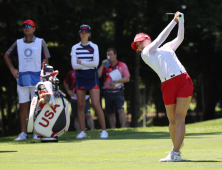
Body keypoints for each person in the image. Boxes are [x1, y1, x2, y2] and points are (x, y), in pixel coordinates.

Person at [131, 12, 193, 162]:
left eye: (140, 41)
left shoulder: (166, 48)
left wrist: (181, 22)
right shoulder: (146, 53)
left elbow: (180, 38)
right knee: (172, 121)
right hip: (167, 84)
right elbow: (160, 39)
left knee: (179, 117)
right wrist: (174, 21)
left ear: (147, 39)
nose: (139, 45)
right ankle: (176, 150)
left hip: (183, 79)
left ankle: (175, 152)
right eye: (137, 44)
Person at [4, 19, 51, 141]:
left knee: (37, 106)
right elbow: (6, 55)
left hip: (37, 78)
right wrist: (12, 70)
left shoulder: (41, 42)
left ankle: (37, 131)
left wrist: (44, 75)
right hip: (22, 79)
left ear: (34, 29)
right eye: (25, 26)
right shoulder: (18, 43)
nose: (27, 28)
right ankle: (23, 133)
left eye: (30, 26)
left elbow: (46, 59)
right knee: (24, 107)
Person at [71, 24, 108, 139]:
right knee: (80, 105)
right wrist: (88, 62)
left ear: (89, 34)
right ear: (79, 33)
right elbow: (74, 65)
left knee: (96, 104)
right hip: (81, 76)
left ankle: (104, 131)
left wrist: (81, 62)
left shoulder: (94, 46)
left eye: (85, 32)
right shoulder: (75, 47)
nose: (83, 34)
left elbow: (95, 64)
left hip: (92, 76)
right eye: (81, 32)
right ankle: (82, 132)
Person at [97, 48, 130, 128]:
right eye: (108, 55)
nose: (109, 56)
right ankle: (113, 129)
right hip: (107, 92)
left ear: (115, 55)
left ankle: (122, 128)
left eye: (111, 54)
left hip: (118, 91)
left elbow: (127, 78)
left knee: (120, 110)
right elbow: (97, 75)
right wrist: (102, 65)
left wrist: (117, 81)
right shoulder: (105, 66)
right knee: (110, 112)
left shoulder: (122, 65)